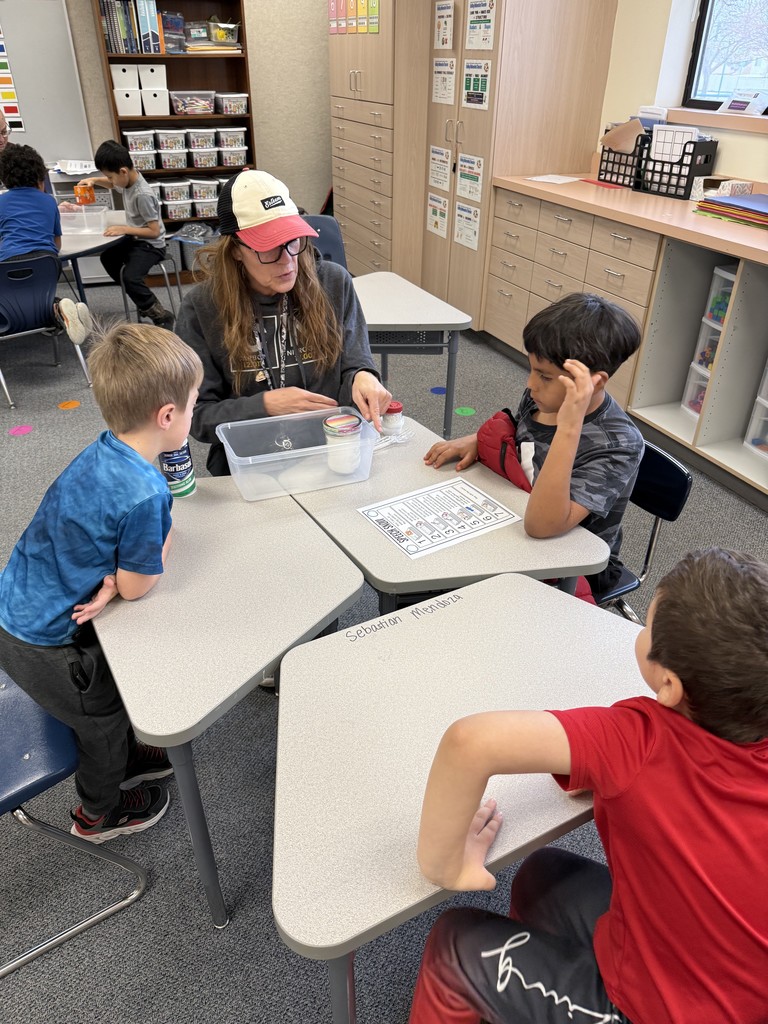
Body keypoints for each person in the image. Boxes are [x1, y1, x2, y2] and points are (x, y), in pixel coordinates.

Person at [410, 547, 768, 1024]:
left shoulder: (639, 738)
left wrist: (448, 865)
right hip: (738, 984)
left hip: (662, 1011)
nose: (639, 633)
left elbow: (469, 742)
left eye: (647, 629)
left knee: (450, 949)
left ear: (668, 685)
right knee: (542, 877)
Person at [0, 322, 204, 842]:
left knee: (107, 700)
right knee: (102, 724)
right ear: (166, 416)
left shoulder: (104, 448)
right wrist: (154, 549)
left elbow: (87, 527)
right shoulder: (146, 492)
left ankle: (128, 757)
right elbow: (139, 585)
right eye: (193, 403)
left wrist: (111, 574)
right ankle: (99, 812)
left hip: (21, 600)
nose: (194, 410)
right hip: (46, 644)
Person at [424, 293, 644, 595]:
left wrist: (569, 426)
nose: (530, 384)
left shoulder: (618, 443)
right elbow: (524, 441)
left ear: (595, 382)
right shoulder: (542, 399)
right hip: (517, 517)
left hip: (576, 566)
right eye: (532, 370)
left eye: (544, 376)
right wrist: (477, 439)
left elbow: (542, 526)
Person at [174, 168, 391, 475]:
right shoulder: (201, 308)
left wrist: (363, 377)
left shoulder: (334, 283)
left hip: (330, 452)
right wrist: (265, 407)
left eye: (293, 241)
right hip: (249, 465)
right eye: (269, 248)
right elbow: (197, 418)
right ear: (235, 249)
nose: (288, 260)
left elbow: (354, 364)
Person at [0, 142, 92, 344]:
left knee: (9, 298)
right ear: (39, 176)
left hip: (7, 266)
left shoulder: (1, 202)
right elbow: (56, 242)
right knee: (37, 295)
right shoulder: (49, 201)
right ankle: (59, 310)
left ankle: (54, 312)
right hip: (48, 264)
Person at [77, 139, 174, 329]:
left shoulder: (142, 195)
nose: (110, 181)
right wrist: (95, 180)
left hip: (151, 245)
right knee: (108, 258)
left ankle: (160, 314)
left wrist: (124, 229)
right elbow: (114, 184)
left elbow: (154, 232)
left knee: (131, 277)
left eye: (110, 176)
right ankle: (141, 299)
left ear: (122, 171)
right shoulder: (127, 178)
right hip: (136, 239)